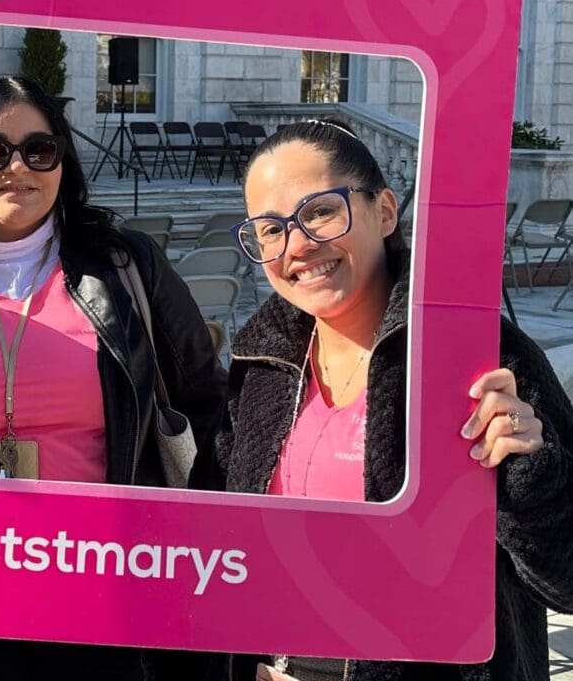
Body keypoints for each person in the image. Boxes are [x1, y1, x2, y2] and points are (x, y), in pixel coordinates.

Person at [192, 118, 573, 681]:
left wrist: (528, 471)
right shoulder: (261, 366)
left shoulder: (478, 357)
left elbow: (564, 576)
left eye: (320, 210)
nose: (297, 244)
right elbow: (216, 541)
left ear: (385, 211)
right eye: (269, 229)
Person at [0, 75, 228, 681]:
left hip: (107, 585)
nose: (18, 167)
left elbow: (207, 402)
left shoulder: (124, 265)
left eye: (40, 149)